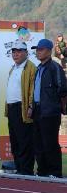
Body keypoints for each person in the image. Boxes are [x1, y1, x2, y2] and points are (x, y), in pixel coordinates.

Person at [31, 38, 67, 178]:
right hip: (38, 110)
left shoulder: (55, 68)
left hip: (51, 111)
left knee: (50, 143)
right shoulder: (39, 68)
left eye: (41, 50)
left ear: (49, 51)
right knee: (38, 143)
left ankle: (55, 172)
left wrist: (58, 104)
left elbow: (63, 88)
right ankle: (42, 171)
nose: (38, 52)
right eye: (37, 50)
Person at [5, 40, 35, 176]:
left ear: (26, 53)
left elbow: (33, 90)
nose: (15, 54)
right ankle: (19, 167)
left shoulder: (31, 68)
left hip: (22, 108)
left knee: (25, 140)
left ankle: (26, 169)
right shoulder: (13, 68)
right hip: (12, 109)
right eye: (13, 51)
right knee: (15, 139)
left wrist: (30, 106)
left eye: (19, 51)